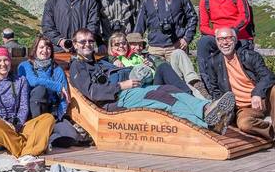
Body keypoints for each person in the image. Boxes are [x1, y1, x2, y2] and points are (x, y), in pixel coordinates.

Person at [69, 29, 235, 135]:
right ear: (75, 45)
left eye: (90, 41)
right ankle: (207, 124)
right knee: (163, 98)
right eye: (82, 41)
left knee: (170, 89)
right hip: (115, 98)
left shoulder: (99, 62)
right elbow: (93, 92)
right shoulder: (78, 66)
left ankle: (206, 108)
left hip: (130, 89)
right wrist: (121, 85)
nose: (87, 44)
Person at [207, 27, 275, 155]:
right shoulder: (213, 62)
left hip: (262, 100)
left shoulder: (249, 56)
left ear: (235, 40)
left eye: (228, 38)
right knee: (244, 124)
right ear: (217, 42)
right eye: (221, 39)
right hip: (242, 108)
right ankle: (274, 132)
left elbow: (269, 76)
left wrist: (257, 93)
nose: (225, 42)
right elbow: (214, 89)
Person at [0, 47, 55, 171]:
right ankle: (26, 153)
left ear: (10, 62)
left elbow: (23, 107)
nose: (3, 64)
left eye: (6, 60)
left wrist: (16, 124)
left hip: (15, 128)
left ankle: (25, 155)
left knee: (48, 118)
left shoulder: (20, 81)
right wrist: (4, 123)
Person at [134, 0, 202, 89]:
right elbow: (139, 26)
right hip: (154, 49)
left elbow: (192, 16)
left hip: (176, 45)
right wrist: (135, 47)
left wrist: (187, 38)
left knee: (180, 79)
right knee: (158, 81)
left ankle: (197, 99)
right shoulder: (146, 0)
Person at [197, 0, 254, 90]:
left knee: (244, 58)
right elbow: (203, 26)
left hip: (240, 35)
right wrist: (216, 33)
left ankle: (250, 86)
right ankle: (208, 87)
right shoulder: (204, 0)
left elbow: (245, 17)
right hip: (218, 36)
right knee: (203, 43)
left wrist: (232, 31)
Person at [107, 32, 192, 94]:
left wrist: (150, 66)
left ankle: (187, 93)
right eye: (117, 44)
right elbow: (103, 59)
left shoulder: (137, 56)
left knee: (163, 66)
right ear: (111, 47)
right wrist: (113, 59)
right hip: (137, 89)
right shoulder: (112, 61)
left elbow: (157, 63)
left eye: (123, 43)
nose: (121, 46)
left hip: (151, 83)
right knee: (163, 68)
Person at [18, 36, 69, 121]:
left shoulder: (56, 69)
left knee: (69, 133)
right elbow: (33, 81)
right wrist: (58, 86)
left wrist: (60, 116)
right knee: (40, 90)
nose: (45, 51)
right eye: (41, 47)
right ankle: (38, 124)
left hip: (52, 111)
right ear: (35, 49)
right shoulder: (25, 65)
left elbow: (63, 97)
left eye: (48, 48)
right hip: (30, 112)